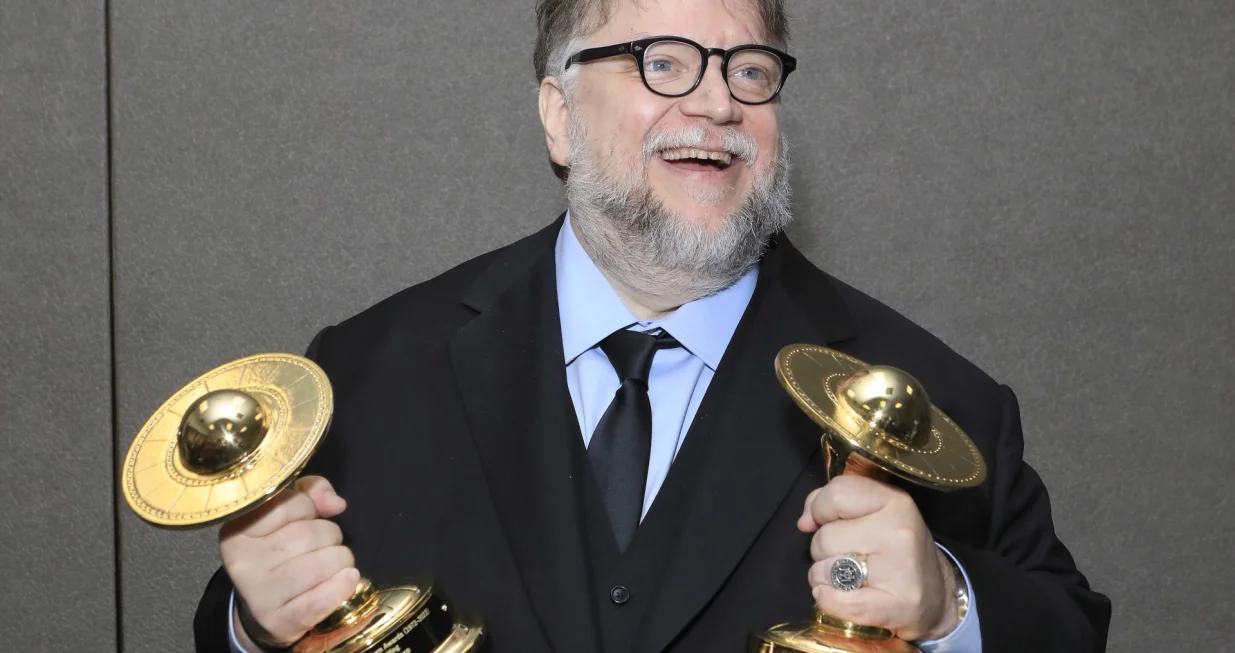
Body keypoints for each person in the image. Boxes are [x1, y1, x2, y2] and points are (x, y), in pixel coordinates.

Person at [193, 0, 1112, 651]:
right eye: (661, 61)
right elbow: (249, 610)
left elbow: (1068, 624)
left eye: (748, 70)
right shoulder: (365, 371)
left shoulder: (931, 397)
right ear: (558, 115)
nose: (718, 103)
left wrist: (948, 605)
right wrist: (254, 626)